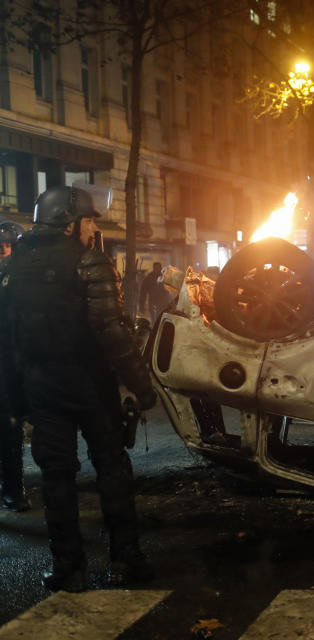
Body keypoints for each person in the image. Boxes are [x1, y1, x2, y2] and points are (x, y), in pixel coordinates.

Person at [1, 185, 157, 592]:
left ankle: (68, 568)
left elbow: (8, 336)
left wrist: (16, 396)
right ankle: (125, 560)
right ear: (70, 222)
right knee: (111, 468)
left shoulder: (14, 264)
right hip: (89, 383)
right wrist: (143, 387)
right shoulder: (90, 262)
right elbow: (111, 333)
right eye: (88, 220)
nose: (92, 228)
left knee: (57, 477)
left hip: (40, 387)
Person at [0, 220, 30, 511]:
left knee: (11, 425)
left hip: (13, 360)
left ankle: (13, 487)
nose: (4, 249)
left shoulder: (22, 276)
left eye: (8, 244)